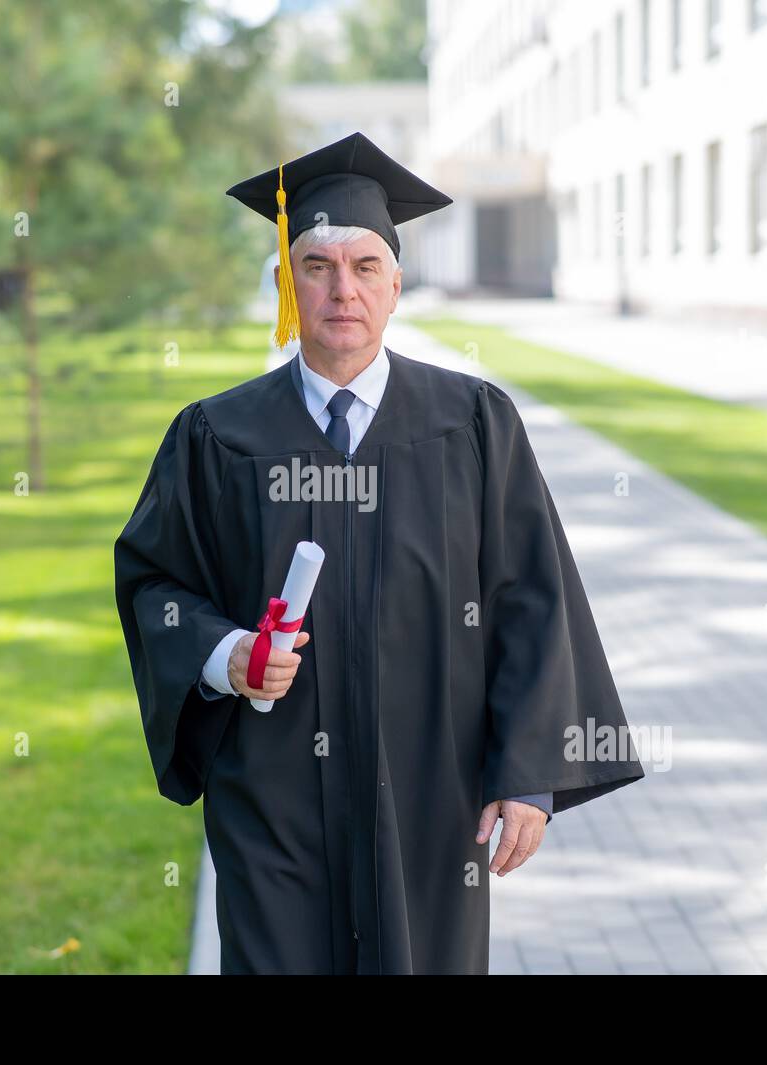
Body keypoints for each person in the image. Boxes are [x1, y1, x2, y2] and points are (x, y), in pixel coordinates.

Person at [114, 131, 644, 975]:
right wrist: (225, 656)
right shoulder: (217, 436)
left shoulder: (471, 423)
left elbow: (533, 595)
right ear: (288, 284)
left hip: (433, 796)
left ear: (396, 286)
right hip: (273, 799)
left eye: (365, 267)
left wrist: (530, 774)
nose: (342, 290)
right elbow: (156, 584)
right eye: (316, 267)